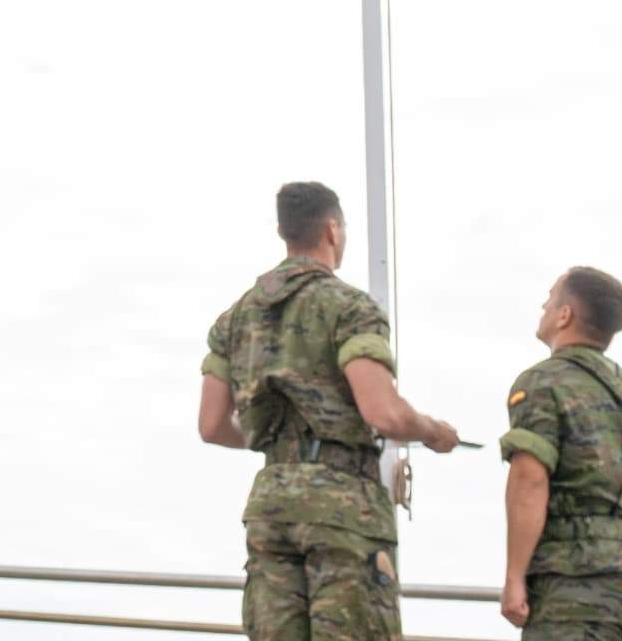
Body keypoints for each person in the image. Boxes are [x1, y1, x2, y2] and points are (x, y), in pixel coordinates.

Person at [197, 183, 462, 641]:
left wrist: (282, 441)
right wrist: (434, 431)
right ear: (333, 230)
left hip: (272, 502)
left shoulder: (235, 318)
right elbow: (384, 414)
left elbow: (213, 425)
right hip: (341, 510)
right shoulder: (350, 307)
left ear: (283, 231)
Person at [498, 268, 622, 639]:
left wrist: (514, 578)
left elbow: (530, 478)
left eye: (551, 297)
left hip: (576, 582)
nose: (543, 305)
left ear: (564, 315)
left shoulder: (544, 383)